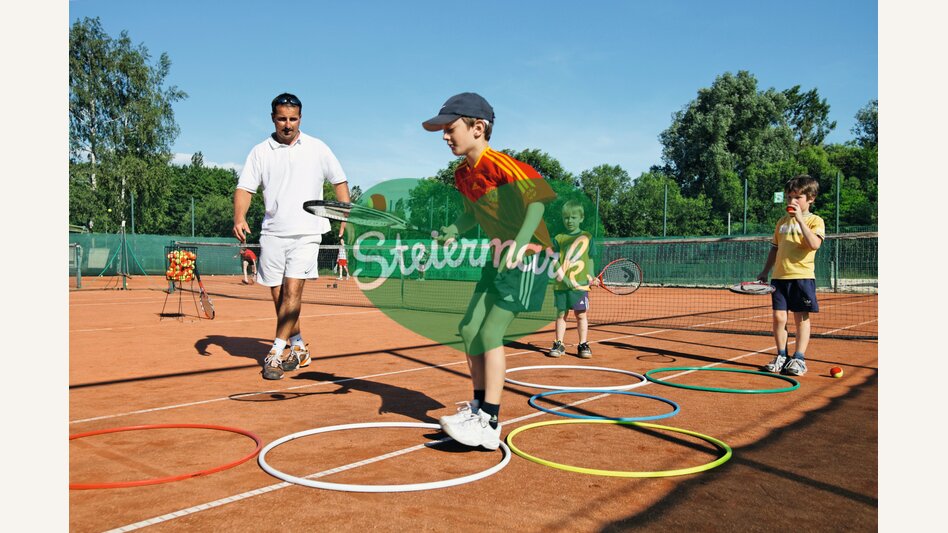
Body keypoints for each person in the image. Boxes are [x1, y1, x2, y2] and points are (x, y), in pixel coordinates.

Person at [423, 92, 556, 449]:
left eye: (450, 128)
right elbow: (472, 213)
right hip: (498, 256)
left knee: (491, 331)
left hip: (529, 255)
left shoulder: (501, 164)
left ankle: (490, 420)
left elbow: (538, 202)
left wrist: (520, 242)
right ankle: (478, 408)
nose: (445, 136)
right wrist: (454, 229)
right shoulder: (462, 174)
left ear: (477, 127)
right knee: (469, 329)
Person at [233, 92, 350, 380]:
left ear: (300, 118)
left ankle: (274, 353)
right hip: (272, 232)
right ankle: (299, 348)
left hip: (308, 232)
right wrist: (239, 216)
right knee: (278, 295)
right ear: (273, 118)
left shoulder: (318, 148)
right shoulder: (260, 152)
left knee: (293, 291)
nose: (288, 124)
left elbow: (340, 181)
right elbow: (245, 189)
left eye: (293, 119)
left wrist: (345, 215)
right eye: (282, 119)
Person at [757, 175, 825, 376]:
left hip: (802, 276)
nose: (791, 202)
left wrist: (800, 220)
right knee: (778, 317)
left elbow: (814, 244)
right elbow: (774, 249)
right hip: (779, 277)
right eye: (788, 197)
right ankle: (781, 355)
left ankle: (799, 358)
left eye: (797, 197)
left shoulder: (815, 221)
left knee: (801, 318)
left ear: (810, 198)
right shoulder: (781, 222)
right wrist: (764, 271)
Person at [549, 200, 599, 359]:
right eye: (566, 218)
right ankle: (559, 343)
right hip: (561, 285)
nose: (569, 221)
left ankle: (583, 344)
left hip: (580, 287)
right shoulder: (558, 238)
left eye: (573, 217)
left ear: (581, 218)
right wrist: (564, 279)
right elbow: (554, 261)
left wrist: (591, 276)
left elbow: (590, 259)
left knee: (581, 315)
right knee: (561, 314)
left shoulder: (588, 237)